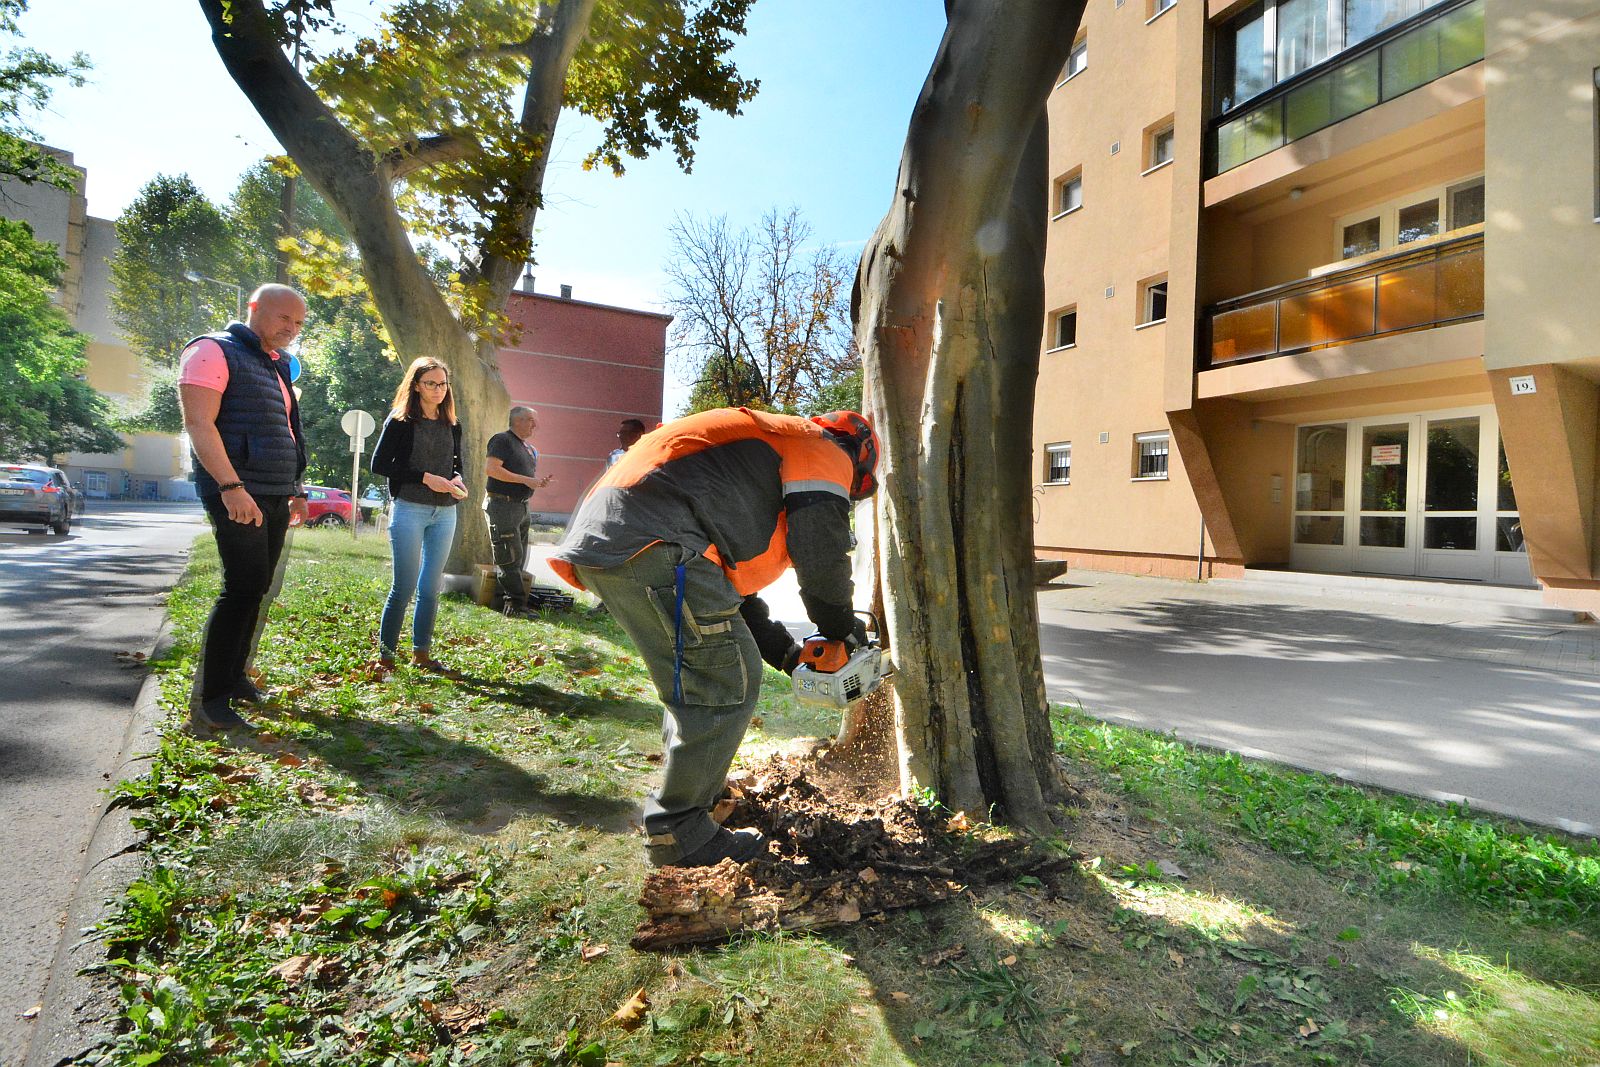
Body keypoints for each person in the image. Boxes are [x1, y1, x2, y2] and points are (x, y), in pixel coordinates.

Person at [550, 407, 880, 868]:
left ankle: (694, 798)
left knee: (695, 680)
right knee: (724, 682)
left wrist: (788, 654)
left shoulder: (758, 456)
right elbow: (821, 553)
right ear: (859, 454)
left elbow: (735, 598)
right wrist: (842, 627)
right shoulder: (820, 447)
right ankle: (680, 832)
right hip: (656, 541)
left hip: (615, 542)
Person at [177, 284, 310, 729]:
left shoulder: (274, 365)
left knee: (257, 587)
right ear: (253, 309)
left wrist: (296, 489)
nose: (290, 329)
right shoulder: (212, 350)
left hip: (273, 491)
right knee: (241, 588)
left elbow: (287, 431)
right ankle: (211, 698)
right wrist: (231, 487)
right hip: (238, 491)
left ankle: (235, 679)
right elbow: (199, 424)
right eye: (282, 318)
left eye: (297, 323)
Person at [369, 357, 467, 674]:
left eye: (442, 383)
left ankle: (421, 654)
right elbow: (380, 465)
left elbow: (456, 465)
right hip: (410, 507)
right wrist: (425, 478)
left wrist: (457, 481)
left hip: (446, 512)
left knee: (430, 587)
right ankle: (385, 657)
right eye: (431, 383)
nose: (438, 389)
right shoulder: (400, 422)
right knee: (405, 585)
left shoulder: (453, 423)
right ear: (416, 385)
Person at [484, 404, 551, 613]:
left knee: (518, 557)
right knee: (509, 555)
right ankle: (515, 605)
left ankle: (509, 602)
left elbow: (523, 479)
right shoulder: (502, 440)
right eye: (530, 420)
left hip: (521, 507)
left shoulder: (528, 448)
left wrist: (536, 482)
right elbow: (492, 469)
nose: (535, 425)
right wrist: (526, 480)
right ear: (518, 421)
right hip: (503, 505)